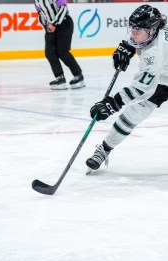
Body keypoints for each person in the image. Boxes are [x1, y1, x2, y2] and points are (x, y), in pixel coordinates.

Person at [85, 5, 168, 171]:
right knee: (134, 114)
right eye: (132, 29)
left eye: (138, 30)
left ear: (152, 30)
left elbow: (140, 89)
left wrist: (113, 103)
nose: (133, 34)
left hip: (161, 72)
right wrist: (129, 46)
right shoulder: (158, 25)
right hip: (163, 74)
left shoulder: (155, 53)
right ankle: (104, 149)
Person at [34, 0, 85, 90]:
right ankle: (60, 77)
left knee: (62, 51)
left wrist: (54, 23)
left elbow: (63, 9)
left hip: (63, 23)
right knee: (49, 52)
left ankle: (78, 75)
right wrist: (46, 25)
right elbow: (40, 14)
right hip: (50, 26)